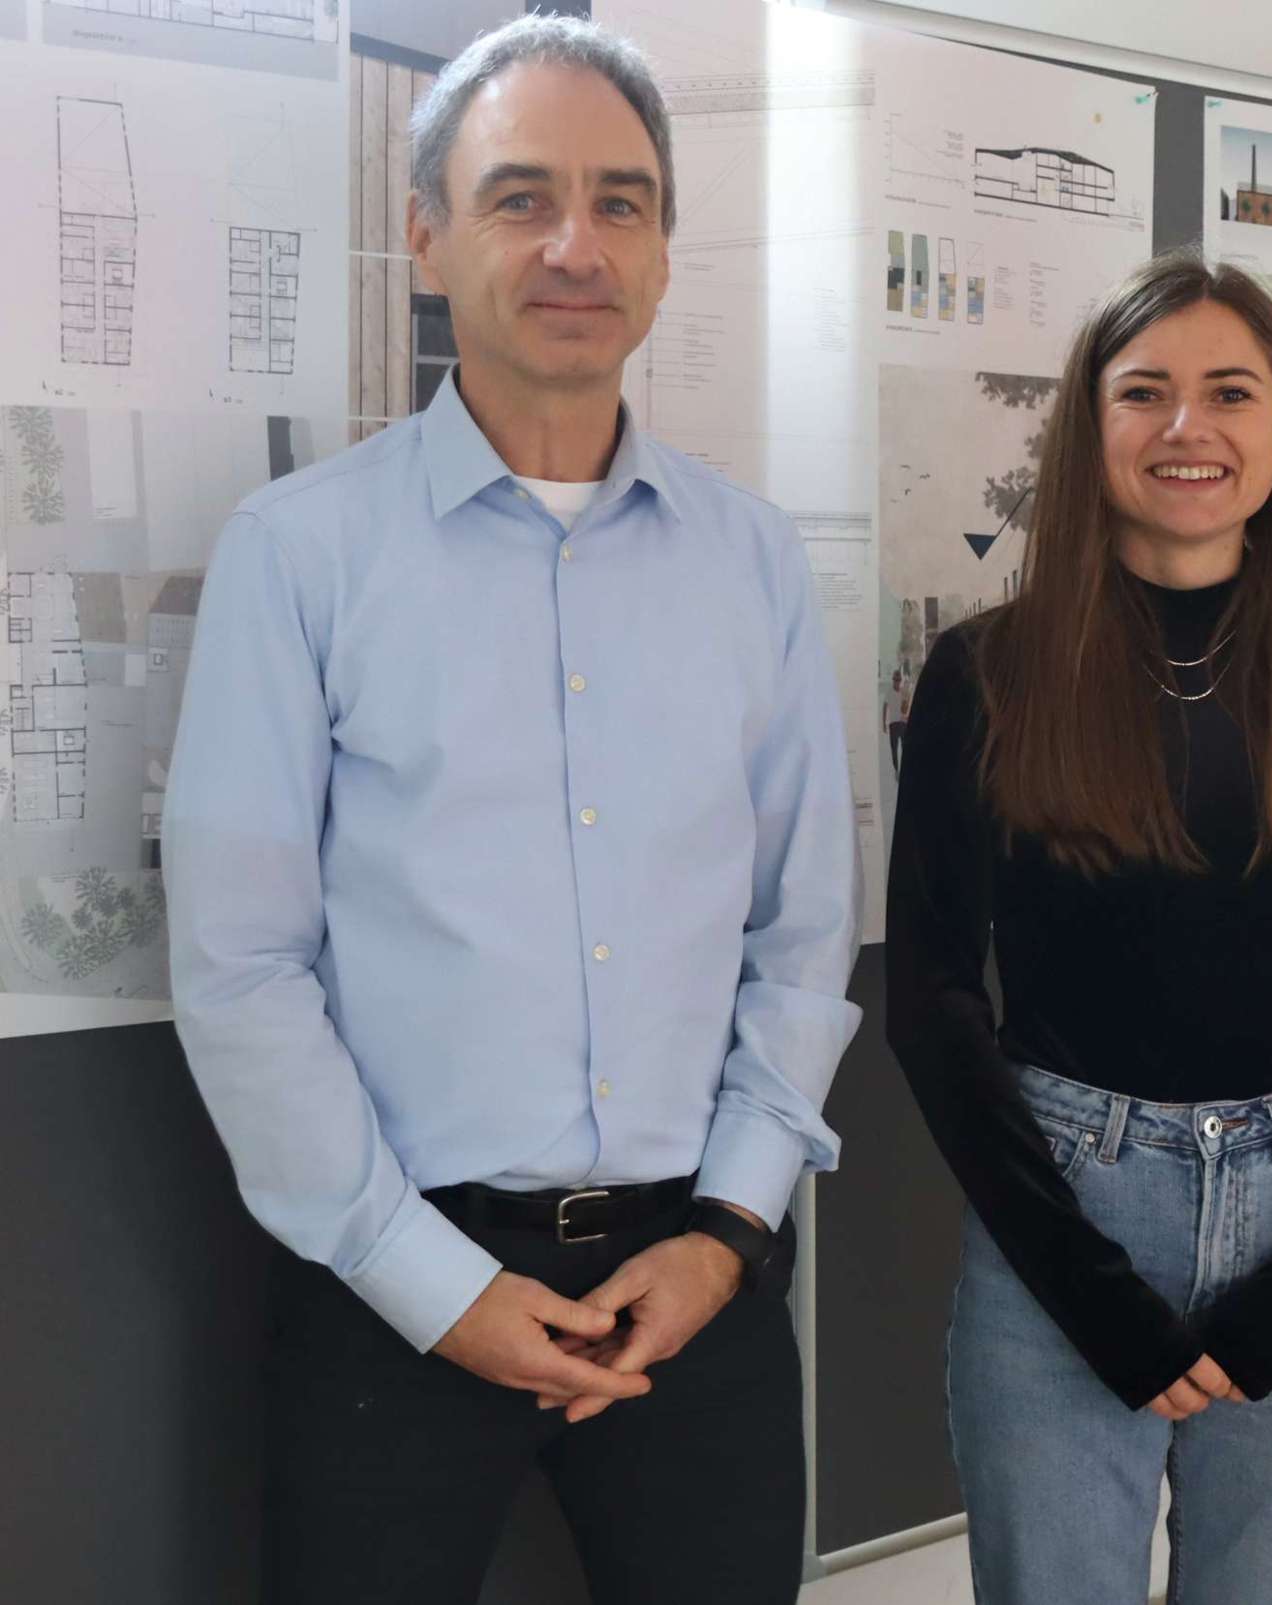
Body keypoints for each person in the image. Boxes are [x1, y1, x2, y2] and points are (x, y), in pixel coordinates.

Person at [164, 17, 859, 1603]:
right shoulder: (301, 557)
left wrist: (730, 1234)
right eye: (520, 196)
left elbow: (803, 934)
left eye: (621, 201)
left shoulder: (750, 562)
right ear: (427, 233)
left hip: (700, 1278)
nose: (574, 245)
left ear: (666, 250)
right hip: (389, 1284)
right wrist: (433, 1283)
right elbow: (242, 966)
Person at [885, 254, 1272, 1604]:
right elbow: (932, 994)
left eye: (1230, 393)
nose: (1187, 427)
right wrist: (1090, 1292)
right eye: (1144, 392)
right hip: (1064, 1214)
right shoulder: (990, 673)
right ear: (1092, 429)